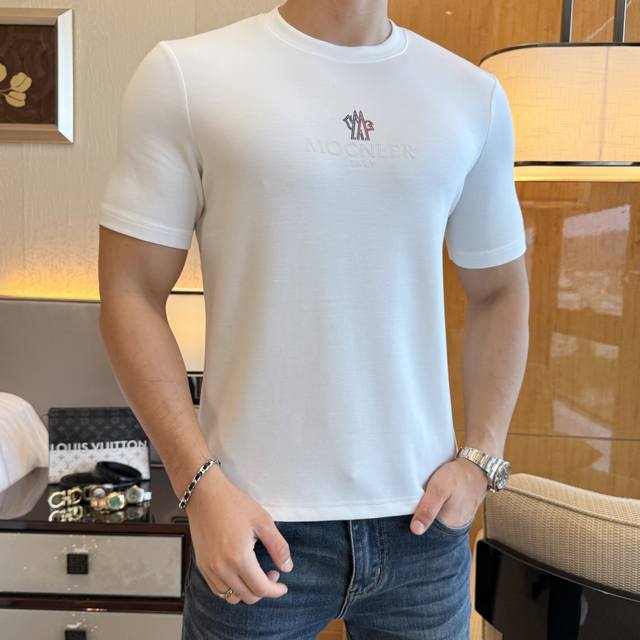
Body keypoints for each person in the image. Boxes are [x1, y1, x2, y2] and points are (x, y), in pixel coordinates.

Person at [97, 0, 529, 637]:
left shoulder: (473, 98)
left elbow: (501, 291)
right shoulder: (186, 77)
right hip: (252, 523)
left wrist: (483, 458)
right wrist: (198, 485)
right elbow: (129, 291)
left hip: (425, 528)